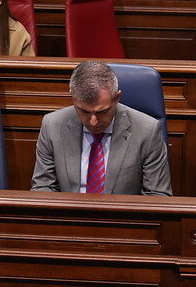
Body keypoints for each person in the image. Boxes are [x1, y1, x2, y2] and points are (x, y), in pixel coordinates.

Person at [30, 61, 172, 195]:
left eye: (102, 112)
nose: (93, 122)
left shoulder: (147, 130)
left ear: (117, 98)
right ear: (73, 98)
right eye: (84, 111)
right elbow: (43, 187)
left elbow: (157, 195)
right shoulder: (52, 125)